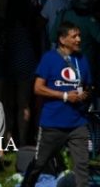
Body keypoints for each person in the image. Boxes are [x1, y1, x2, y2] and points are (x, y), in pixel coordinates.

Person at [21, 22, 92, 187]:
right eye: (74, 36)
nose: (79, 39)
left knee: (82, 167)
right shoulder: (49, 58)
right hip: (53, 124)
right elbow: (37, 88)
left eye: (79, 36)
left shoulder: (82, 59)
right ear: (62, 39)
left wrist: (84, 94)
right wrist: (65, 96)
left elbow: (88, 86)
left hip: (78, 123)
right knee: (39, 163)